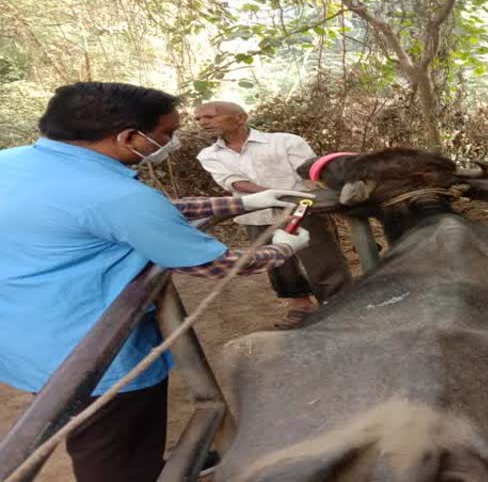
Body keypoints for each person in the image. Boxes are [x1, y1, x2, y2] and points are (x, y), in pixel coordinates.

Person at [0, 82, 314, 482]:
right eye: (166, 134)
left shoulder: (11, 162)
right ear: (129, 137)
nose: (172, 142)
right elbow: (218, 265)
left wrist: (245, 201)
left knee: (75, 422)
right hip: (94, 350)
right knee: (112, 445)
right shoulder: (114, 195)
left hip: (23, 335)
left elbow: (147, 213)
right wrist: (282, 249)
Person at [195, 101, 352, 328]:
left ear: (240, 118)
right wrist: (281, 195)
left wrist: (318, 198)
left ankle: (340, 305)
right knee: (277, 263)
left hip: (302, 211)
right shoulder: (209, 155)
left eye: (209, 117)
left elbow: (309, 174)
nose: (202, 123)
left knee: (322, 260)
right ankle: (300, 305)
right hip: (256, 215)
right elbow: (234, 182)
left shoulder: (286, 141)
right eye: (198, 120)